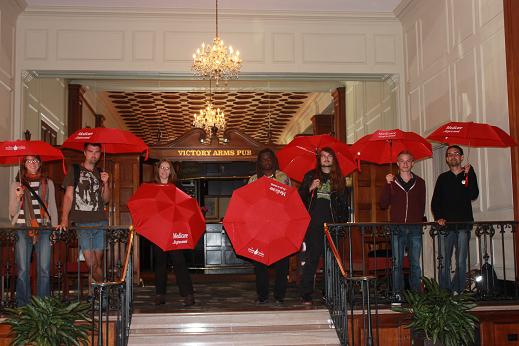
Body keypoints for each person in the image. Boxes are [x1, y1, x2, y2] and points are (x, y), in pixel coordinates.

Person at [298, 147, 350, 304]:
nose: (326, 158)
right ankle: (306, 293)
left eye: (329, 156)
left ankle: (330, 293)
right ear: (319, 159)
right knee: (311, 259)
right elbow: (299, 199)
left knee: (331, 261)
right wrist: (309, 189)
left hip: (332, 225)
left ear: (333, 159)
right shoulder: (310, 176)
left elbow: (344, 205)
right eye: (323, 156)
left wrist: (342, 224)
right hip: (313, 225)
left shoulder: (339, 179)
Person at [9, 155, 58, 306]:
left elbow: (53, 208)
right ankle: (23, 306)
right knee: (23, 270)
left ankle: (43, 306)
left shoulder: (48, 183)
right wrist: (18, 198)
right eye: (29, 160)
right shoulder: (17, 184)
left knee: (44, 269)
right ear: (24, 164)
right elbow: (11, 212)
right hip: (22, 228)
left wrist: (54, 229)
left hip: (44, 229)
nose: (32, 163)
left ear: (40, 163)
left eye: (35, 160)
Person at [58, 143, 111, 284]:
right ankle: (106, 288)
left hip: (100, 222)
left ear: (100, 154)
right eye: (90, 151)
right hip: (82, 223)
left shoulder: (100, 173)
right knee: (91, 264)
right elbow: (68, 196)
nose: (93, 154)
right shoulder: (75, 170)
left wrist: (106, 183)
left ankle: (96, 295)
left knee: (97, 264)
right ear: (84, 152)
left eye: (97, 152)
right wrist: (64, 219)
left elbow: (106, 200)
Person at [431, 145, 479, 293]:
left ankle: (457, 290)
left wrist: (468, 175)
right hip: (446, 226)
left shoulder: (468, 174)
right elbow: (435, 202)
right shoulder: (442, 178)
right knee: (444, 261)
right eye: (450, 154)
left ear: (462, 157)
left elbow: (473, 195)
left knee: (460, 261)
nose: (453, 156)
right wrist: (439, 217)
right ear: (446, 159)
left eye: (456, 154)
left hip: (464, 225)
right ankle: (445, 291)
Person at [379, 150, 426, 302]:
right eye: (402, 161)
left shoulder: (420, 182)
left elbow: (421, 204)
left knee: (415, 263)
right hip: (397, 228)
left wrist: (418, 221)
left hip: (414, 228)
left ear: (413, 163)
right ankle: (397, 294)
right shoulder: (392, 182)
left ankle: (416, 295)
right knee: (397, 263)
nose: (405, 163)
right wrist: (387, 184)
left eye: (408, 161)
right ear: (397, 163)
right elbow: (383, 203)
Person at [248, 148, 291, 305]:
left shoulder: (283, 178)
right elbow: (248, 204)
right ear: (259, 162)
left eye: (269, 158)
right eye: (263, 159)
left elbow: (290, 201)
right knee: (259, 263)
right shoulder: (253, 179)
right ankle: (262, 295)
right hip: (260, 228)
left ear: (274, 160)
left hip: (280, 227)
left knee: (282, 263)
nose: (266, 161)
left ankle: (279, 295)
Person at [153, 159, 195, 306]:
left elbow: (186, 206)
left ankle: (188, 294)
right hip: (158, 230)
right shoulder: (152, 188)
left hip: (174, 229)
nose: (164, 171)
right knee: (160, 263)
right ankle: (160, 294)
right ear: (158, 170)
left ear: (171, 172)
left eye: (167, 168)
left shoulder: (177, 187)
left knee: (179, 262)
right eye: (162, 168)